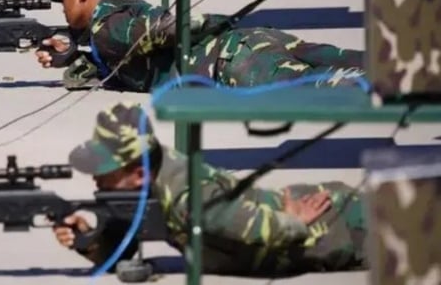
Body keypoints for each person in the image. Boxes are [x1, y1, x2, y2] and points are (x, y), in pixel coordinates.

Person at [53, 102, 368, 275]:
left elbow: (265, 229)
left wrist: (295, 222)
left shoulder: (189, 196)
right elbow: (122, 251)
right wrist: (88, 241)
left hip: (340, 226)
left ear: (137, 174)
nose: (96, 180)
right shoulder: (145, 184)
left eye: (104, 173)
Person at [36, 0, 366, 91]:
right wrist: (77, 55)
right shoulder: (121, 10)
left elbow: (159, 28)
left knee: (340, 86)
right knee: (358, 59)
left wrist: (211, 22)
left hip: (236, 62)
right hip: (251, 42)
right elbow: (128, 56)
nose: (61, 7)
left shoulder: (106, 27)